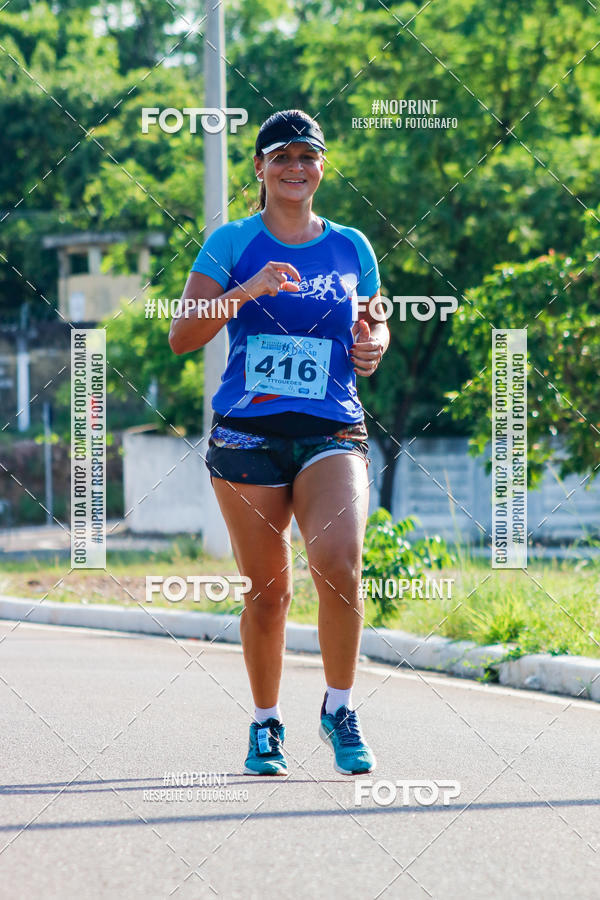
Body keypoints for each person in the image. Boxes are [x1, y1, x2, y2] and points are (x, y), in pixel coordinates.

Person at [169, 109, 389, 776]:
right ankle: (266, 724)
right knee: (268, 594)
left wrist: (372, 344)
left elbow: (374, 321)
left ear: (322, 167)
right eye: (282, 156)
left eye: (308, 156)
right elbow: (182, 335)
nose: (296, 167)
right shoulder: (233, 241)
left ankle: (341, 709)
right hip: (247, 437)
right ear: (260, 168)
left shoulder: (352, 245)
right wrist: (247, 289)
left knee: (342, 568)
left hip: (332, 428)